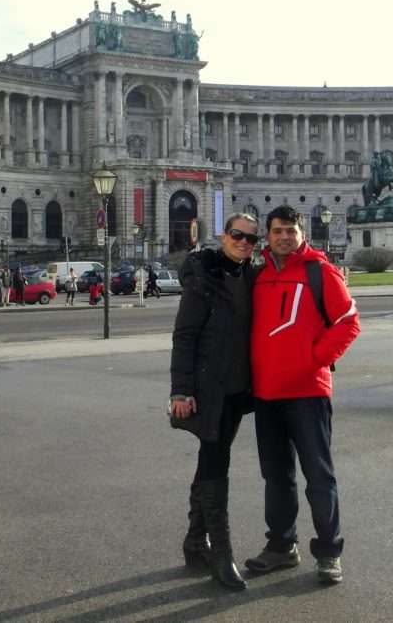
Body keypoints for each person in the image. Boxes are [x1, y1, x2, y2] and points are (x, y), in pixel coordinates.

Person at [245, 205, 360, 585]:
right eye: (277, 231)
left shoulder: (319, 271)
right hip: (267, 393)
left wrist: (314, 359)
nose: (284, 237)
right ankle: (281, 546)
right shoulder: (258, 276)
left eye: (290, 231)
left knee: (319, 476)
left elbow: (348, 322)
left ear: (300, 232)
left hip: (308, 391)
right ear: (268, 234)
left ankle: (329, 552)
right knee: (276, 477)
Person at [169, 212, 260, 591]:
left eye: (251, 239)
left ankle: (195, 543)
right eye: (237, 235)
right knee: (215, 462)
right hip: (210, 390)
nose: (243, 242)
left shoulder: (253, 277)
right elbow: (185, 336)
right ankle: (221, 555)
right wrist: (180, 390)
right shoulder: (203, 278)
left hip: (239, 390)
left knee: (213, 457)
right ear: (224, 236)